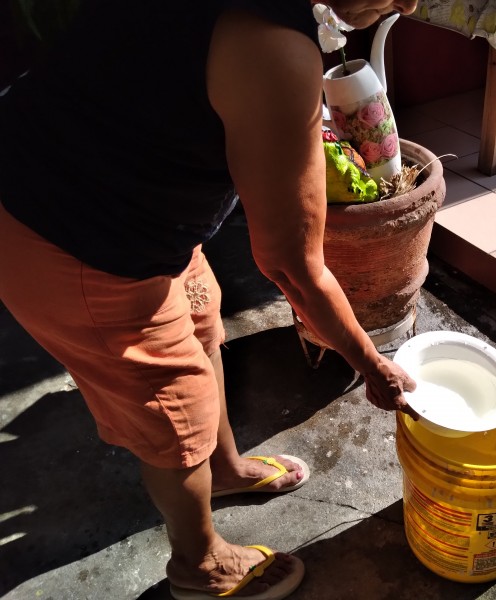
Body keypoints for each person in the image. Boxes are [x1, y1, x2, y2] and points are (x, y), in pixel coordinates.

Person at [0, 0, 419, 598]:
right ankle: (200, 567)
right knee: (173, 408)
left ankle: (222, 469)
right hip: (66, 235)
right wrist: (371, 364)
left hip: (137, 206)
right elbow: (293, 267)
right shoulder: (272, 48)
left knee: (201, 323)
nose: (406, 4)